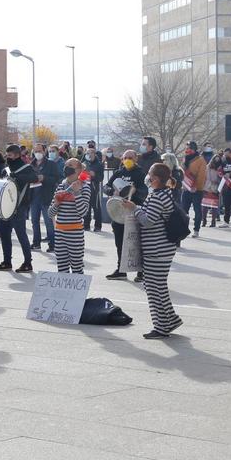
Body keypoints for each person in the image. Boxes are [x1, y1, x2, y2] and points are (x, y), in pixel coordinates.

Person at [125, 162, 182, 339]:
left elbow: (148, 220)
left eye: (149, 174)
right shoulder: (161, 193)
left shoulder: (158, 196)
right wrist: (138, 209)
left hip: (157, 248)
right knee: (155, 286)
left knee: (155, 287)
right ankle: (170, 320)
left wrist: (135, 209)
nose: (147, 177)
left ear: (155, 179)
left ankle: (162, 326)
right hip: (158, 247)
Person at [0, 144, 36, 273]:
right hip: (5, 206)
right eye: (7, 155)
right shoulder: (5, 169)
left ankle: (28, 262)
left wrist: (17, 177)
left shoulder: (26, 167)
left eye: (10, 155)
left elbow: (34, 178)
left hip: (19, 206)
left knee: (21, 234)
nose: (8, 157)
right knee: (4, 234)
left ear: (17, 155)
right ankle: (7, 261)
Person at [106, 149, 146, 280]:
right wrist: (112, 191)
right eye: (125, 157)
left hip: (134, 211)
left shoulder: (141, 173)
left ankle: (141, 272)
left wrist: (133, 191)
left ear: (136, 159)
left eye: (130, 157)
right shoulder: (118, 172)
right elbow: (106, 187)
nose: (127, 160)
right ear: (122, 159)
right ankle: (121, 269)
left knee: (136, 243)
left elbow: (145, 191)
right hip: (119, 213)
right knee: (119, 242)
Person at [51, 159, 92, 273]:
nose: (66, 168)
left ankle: (78, 291)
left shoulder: (85, 187)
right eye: (65, 165)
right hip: (59, 233)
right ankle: (64, 291)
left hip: (75, 234)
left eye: (70, 165)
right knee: (62, 268)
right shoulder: (60, 186)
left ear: (79, 170)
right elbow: (50, 213)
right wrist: (56, 203)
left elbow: (83, 212)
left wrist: (77, 193)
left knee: (77, 267)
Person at [30, 144, 60, 252]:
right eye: (35, 151)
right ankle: (36, 243)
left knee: (49, 222)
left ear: (44, 151)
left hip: (46, 196)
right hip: (33, 197)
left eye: (39, 151)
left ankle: (52, 244)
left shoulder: (51, 164)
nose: (37, 153)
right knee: (34, 221)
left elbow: (57, 178)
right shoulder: (31, 164)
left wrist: (45, 178)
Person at [180, 142, 207, 237]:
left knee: (197, 210)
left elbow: (202, 176)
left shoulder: (200, 160)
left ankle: (196, 229)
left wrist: (196, 187)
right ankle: (184, 229)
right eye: (186, 148)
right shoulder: (185, 158)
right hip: (186, 188)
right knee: (183, 210)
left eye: (189, 148)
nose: (187, 150)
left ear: (194, 149)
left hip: (196, 190)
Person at [211, 148, 231, 227]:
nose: (226, 156)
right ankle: (226, 221)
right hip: (226, 187)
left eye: (227, 155)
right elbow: (220, 170)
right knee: (226, 204)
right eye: (225, 155)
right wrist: (220, 173)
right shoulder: (224, 162)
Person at [82, 145, 105, 231]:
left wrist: (94, 175)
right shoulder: (84, 163)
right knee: (86, 207)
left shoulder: (99, 165)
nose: (88, 155)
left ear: (94, 154)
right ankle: (86, 225)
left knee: (96, 208)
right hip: (85, 187)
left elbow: (101, 178)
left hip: (94, 189)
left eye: (90, 153)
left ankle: (98, 226)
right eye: (87, 153)